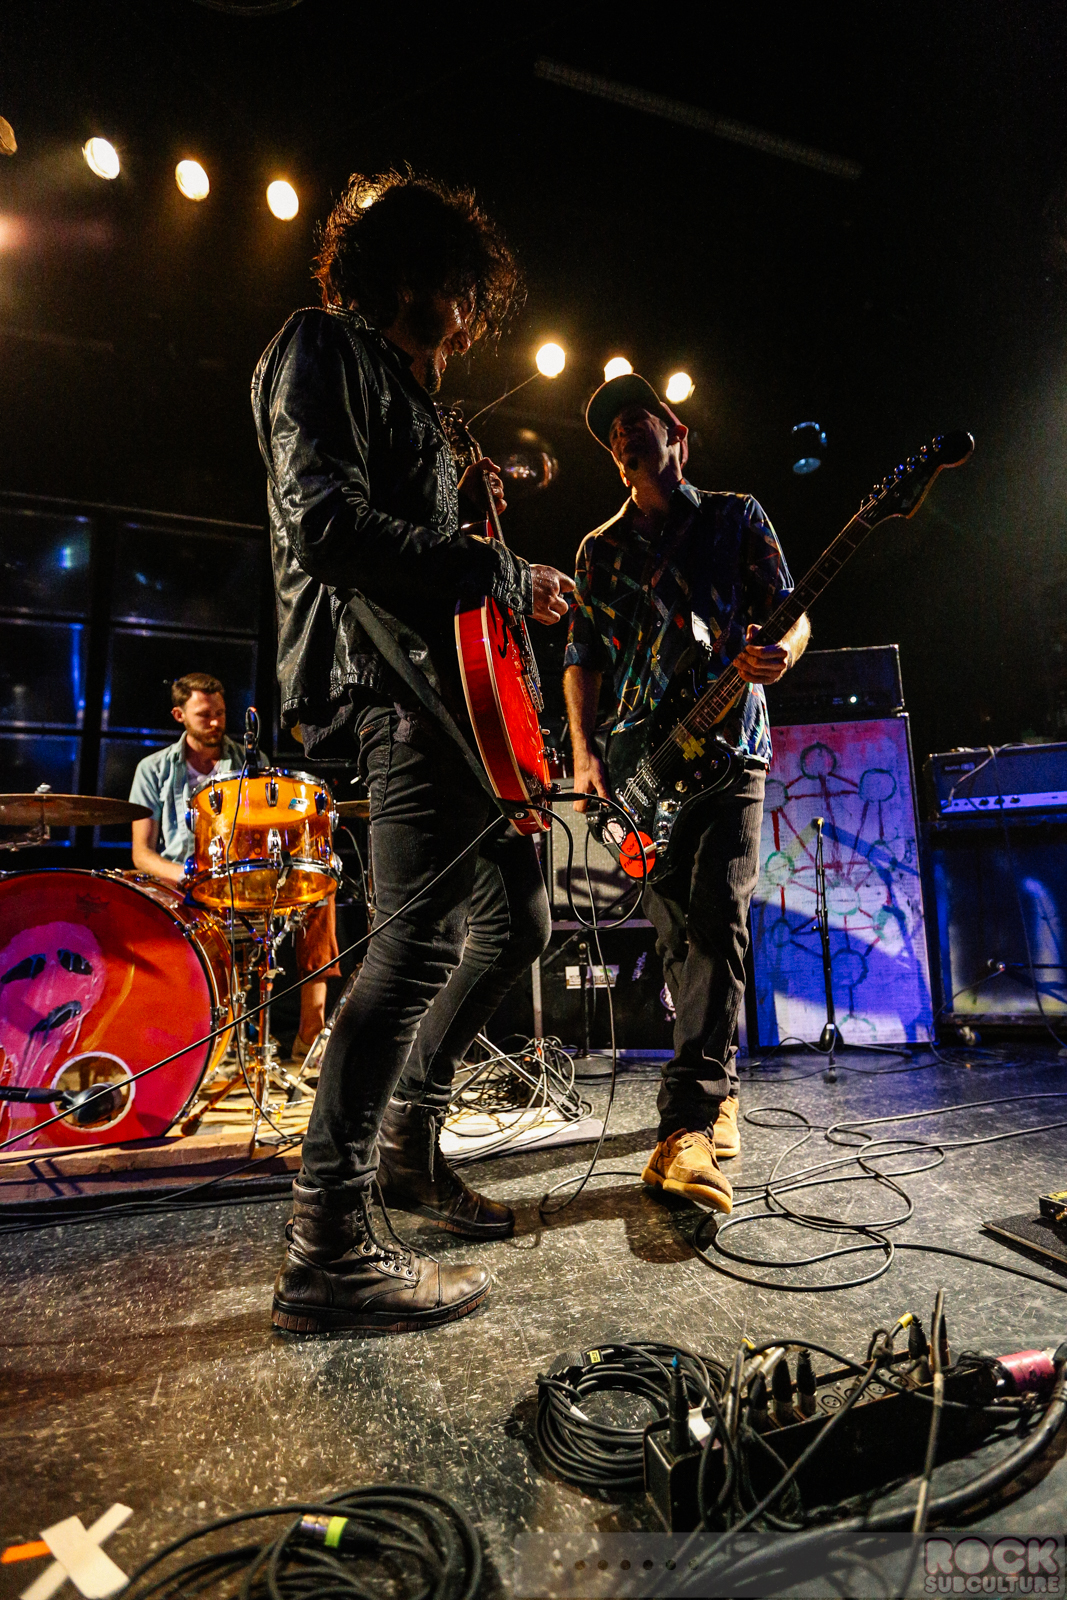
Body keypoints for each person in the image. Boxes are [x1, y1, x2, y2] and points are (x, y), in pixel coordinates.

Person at [252, 170, 575, 1337]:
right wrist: (496, 568)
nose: (467, 316)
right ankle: (327, 1246)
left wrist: (479, 535)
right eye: (456, 290)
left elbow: (433, 551)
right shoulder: (319, 349)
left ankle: (405, 1145)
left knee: (519, 922)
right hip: (388, 689)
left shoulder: (411, 395)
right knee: (411, 947)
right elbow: (327, 526)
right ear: (411, 277)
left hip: (453, 705)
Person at [564, 373, 810, 1216]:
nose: (622, 434)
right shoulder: (598, 550)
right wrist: (583, 754)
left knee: (718, 918)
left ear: (678, 435)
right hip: (642, 765)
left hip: (733, 746)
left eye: (636, 419)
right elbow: (582, 654)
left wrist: (782, 654)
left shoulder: (736, 516)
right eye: (611, 432)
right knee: (677, 939)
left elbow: (792, 614)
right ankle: (721, 1085)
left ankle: (686, 1125)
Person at [128, 674, 339, 1052]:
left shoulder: (250, 762)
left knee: (319, 891)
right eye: (204, 715)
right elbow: (141, 854)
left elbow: (265, 837)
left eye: (221, 713)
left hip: (240, 880)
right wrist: (188, 875)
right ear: (179, 715)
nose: (215, 722)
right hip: (180, 882)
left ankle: (311, 1031)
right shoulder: (153, 768)